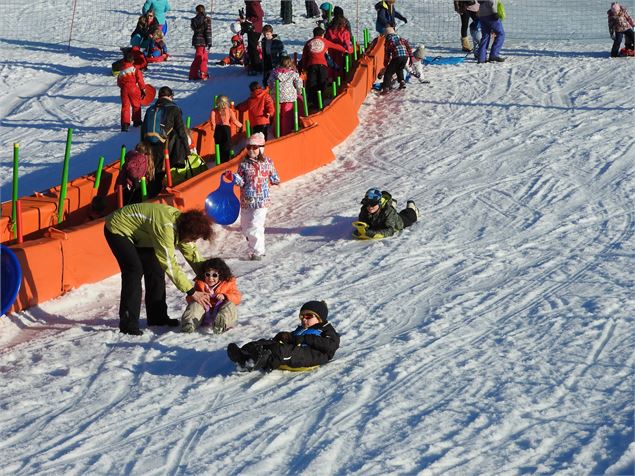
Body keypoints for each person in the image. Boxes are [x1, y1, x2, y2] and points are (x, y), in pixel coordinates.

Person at [104, 203, 213, 335]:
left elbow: (191, 253)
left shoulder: (182, 225)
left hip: (144, 234)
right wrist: (191, 291)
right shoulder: (166, 227)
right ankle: (128, 323)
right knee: (134, 270)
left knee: (156, 270)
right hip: (118, 228)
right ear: (187, 231)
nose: (194, 241)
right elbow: (169, 263)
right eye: (194, 238)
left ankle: (157, 317)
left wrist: (207, 276)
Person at [227, 300, 340, 372]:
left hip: (311, 355)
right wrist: (285, 336)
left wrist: (306, 339)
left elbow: (331, 345)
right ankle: (243, 354)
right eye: (302, 317)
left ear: (320, 318)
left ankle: (258, 361)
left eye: (309, 316)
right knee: (266, 343)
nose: (304, 319)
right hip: (297, 349)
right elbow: (294, 337)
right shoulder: (302, 329)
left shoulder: (326, 330)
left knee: (281, 351)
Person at [223, 132, 280, 260]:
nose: (251, 150)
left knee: (256, 225)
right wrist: (232, 177)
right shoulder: (243, 164)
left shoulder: (268, 162)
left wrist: (275, 180)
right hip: (247, 200)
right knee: (245, 227)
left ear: (261, 148)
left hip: (262, 201)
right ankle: (253, 247)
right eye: (249, 147)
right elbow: (241, 181)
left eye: (254, 147)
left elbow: (275, 176)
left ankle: (258, 252)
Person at [141, 86, 190, 194]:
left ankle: (150, 195)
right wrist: (187, 150)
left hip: (149, 145)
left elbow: (143, 128)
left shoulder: (150, 109)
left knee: (152, 173)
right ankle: (159, 197)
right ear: (170, 96)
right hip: (165, 145)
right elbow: (181, 131)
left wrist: (143, 146)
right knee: (162, 172)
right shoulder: (174, 108)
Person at [181, 258, 241, 333]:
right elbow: (189, 299)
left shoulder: (228, 284)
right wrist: (197, 297)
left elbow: (237, 297)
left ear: (221, 275)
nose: (210, 278)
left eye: (214, 275)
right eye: (208, 274)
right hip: (203, 312)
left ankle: (221, 323)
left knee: (230, 305)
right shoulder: (200, 284)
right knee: (195, 305)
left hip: (220, 310)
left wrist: (225, 296)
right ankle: (189, 323)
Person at [299, 26, 348, 109]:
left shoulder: (309, 42)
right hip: (322, 66)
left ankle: (314, 103)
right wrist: (345, 50)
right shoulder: (324, 41)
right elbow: (335, 46)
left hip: (311, 65)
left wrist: (304, 67)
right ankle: (321, 102)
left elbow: (304, 56)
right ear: (322, 35)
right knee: (322, 83)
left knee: (312, 84)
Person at [355, 188, 419, 239]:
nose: (370, 207)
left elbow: (390, 230)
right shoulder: (364, 209)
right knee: (390, 211)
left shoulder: (388, 211)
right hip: (385, 217)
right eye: (367, 204)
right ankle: (392, 204)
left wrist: (374, 233)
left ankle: (412, 208)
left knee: (409, 216)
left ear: (379, 203)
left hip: (398, 222)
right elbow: (362, 223)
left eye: (373, 204)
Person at [267, 56, 303, 136]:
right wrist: (299, 91)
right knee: (286, 115)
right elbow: (298, 82)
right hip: (289, 97)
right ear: (289, 64)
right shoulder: (293, 73)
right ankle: (285, 132)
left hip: (276, 97)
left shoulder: (274, 72)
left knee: (278, 114)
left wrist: (272, 90)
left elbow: (269, 82)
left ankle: (276, 132)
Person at [116, 50, 147, 132]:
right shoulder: (134, 69)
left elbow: (119, 82)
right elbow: (140, 79)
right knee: (136, 105)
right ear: (132, 61)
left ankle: (125, 124)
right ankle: (137, 121)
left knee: (125, 106)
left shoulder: (121, 71)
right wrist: (143, 88)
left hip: (124, 90)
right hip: (133, 88)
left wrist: (123, 87)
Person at [209, 95, 242, 163]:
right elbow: (234, 120)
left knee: (219, 147)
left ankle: (220, 161)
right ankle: (226, 161)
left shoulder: (214, 110)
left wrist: (214, 127)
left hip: (218, 130)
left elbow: (212, 121)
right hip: (226, 129)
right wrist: (240, 126)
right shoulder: (229, 110)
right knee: (227, 147)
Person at [380, 27, 412, 93]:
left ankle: (386, 88)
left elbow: (387, 54)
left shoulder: (388, 41)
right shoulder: (401, 38)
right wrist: (411, 57)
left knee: (388, 72)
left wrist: (385, 65)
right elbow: (408, 47)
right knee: (399, 69)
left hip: (397, 57)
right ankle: (402, 82)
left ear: (386, 35)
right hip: (405, 56)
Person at [324, 15, 352, 80]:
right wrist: (349, 50)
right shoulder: (344, 32)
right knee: (340, 67)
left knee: (331, 66)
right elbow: (347, 43)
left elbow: (326, 40)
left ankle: (331, 79)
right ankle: (339, 79)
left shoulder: (330, 31)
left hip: (331, 51)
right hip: (341, 52)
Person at [189, 4, 212, 80]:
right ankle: (202, 73)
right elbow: (208, 32)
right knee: (202, 58)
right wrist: (209, 42)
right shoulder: (207, 19)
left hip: (196, 41)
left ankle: (194, 73)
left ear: (196, 11)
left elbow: (195, 29)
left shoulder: (194, 20)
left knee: (199, 57)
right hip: (203, 41)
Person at [243, 0, 264, 75]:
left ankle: (257, 66)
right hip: (252, 28)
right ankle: (253, 64)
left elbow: (259, 15)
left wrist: (249, 20)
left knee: (253, 47)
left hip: (255, 28)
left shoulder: (253, 3)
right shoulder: (250, 3)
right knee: (251, 47)